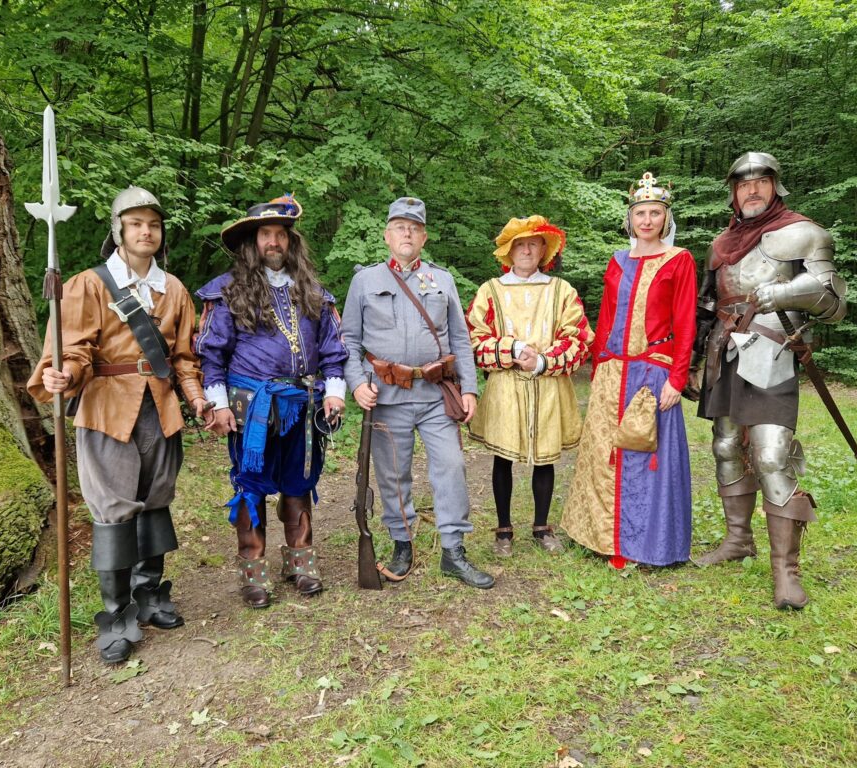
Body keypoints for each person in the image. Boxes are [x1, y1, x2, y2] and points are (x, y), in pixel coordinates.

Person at [28, 186, 210, 663]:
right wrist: (65, 374)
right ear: (119, 231)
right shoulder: (88, 285)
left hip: (160, 407)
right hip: (107, 408)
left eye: (153, 224)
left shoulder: (174, 290)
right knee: (112, 510)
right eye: (136, 224)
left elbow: (185, 357)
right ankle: (116, 614)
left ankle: (149, 594)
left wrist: (197, 398)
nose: (146, 231)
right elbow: (72, 348)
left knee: (156, 500)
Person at [690, 152, 847, 610]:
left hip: (773, 353)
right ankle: (738, 540)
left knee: (773, 455)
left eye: (761, 182)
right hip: (723, 354)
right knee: (725, 446)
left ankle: (786, 572)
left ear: (775, 187)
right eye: (743, 184)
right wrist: (694, 360)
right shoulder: (721, 245)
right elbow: (706, 306)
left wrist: (782, 292)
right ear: (733, 193)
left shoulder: (805, 233)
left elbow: (835, 302)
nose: (752, 190)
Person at [195, 195, 348, 609]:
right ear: (253, 242)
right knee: (252, 486)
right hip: (252, 408)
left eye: (281, 234)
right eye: (266, 234)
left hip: (303, 403)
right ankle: (253, 571)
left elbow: (333, 350)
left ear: (291, 242)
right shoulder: (227, 293)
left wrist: (334, 393)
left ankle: (300, 562)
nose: (274, 242)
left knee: (300, 482)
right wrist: (218, 404)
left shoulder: (313, 292)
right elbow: (212, 355)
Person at [340, 197, 494, 589]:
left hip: (435, 394)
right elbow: (348, 341)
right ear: (387, 235)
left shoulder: (442, 280)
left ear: (423, 237)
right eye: (400, 227)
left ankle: (453, 550)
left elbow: (460, 338)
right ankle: (402, 544)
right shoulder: (365, 281)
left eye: (414, 228)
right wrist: (357, 382)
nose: (407, 233)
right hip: (386, 396)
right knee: (393, 474)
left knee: (451, 467)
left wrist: (469, 388)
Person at [561, 173, 696, 568]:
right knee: (605, 454)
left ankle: (642, 545)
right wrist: (598, 365)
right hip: (612, 370)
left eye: (655, 213)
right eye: (640, 213)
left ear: (666, 218)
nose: (647, 220)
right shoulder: (618, 260)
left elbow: (685, 322)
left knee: (641, 457)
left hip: (652, 372)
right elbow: (606, 317)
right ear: (630, 218)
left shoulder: (679, 260)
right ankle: (602, 537)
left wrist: (677, 378)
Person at [465, 216, 592, 556]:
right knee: (503, 457)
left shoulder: (561, 290)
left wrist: (541, 361)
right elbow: (474, 337)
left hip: (547, 385)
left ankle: (541, 527)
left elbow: (578, 336)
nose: (525, 250)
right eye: (519, 245)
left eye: (532, 244)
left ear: (543, 251)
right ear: (509, 251)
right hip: (505, 386)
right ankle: (503, 530)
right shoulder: (491, 290)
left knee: (545, 458)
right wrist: (513, 350)